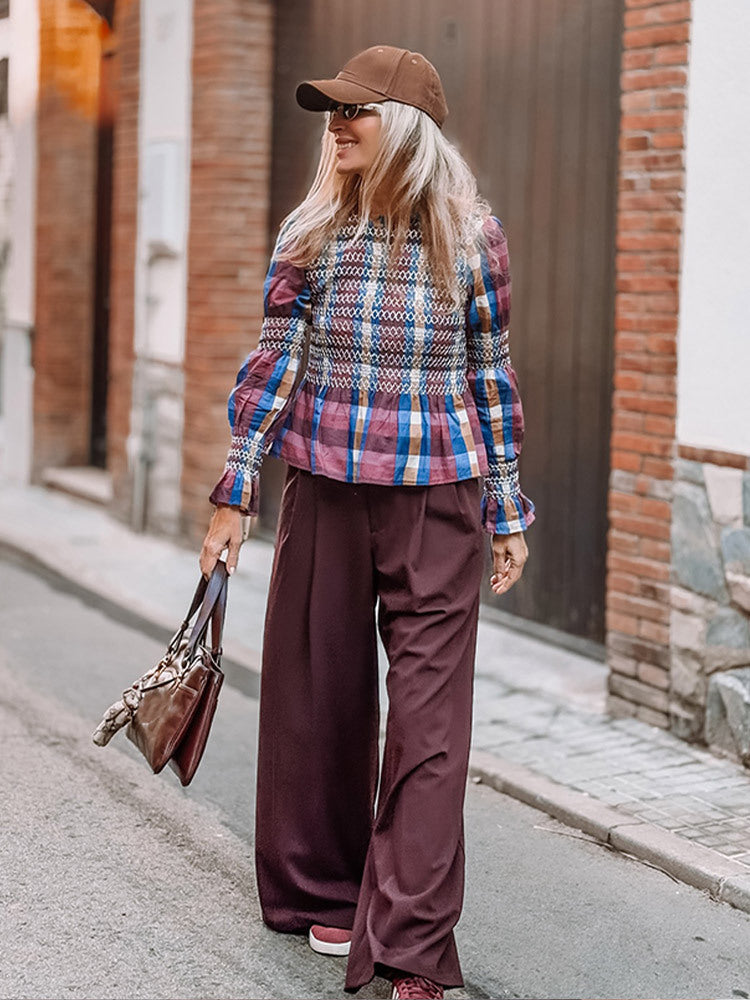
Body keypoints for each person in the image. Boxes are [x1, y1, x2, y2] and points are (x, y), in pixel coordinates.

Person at [200, 44, 535, 1000]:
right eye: (331, 111)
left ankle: (411, 952)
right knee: (319, 701)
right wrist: (235, 489)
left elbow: (491, 376)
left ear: (412, 131)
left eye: (359, 110)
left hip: (440, 502)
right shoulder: (310, 230)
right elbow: (271, 368)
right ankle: (331, 891)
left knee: (429, 731)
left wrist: (507, 507)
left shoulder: (473, 238)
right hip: (328, 492)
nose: (338, 124)